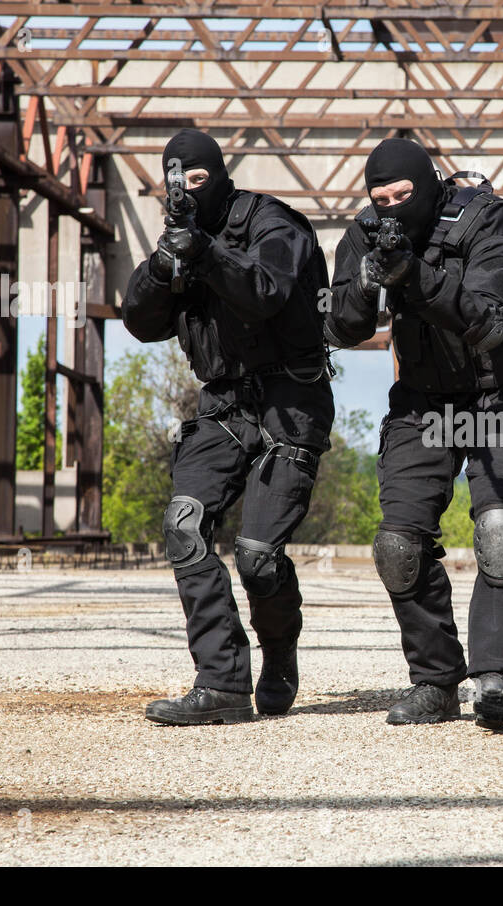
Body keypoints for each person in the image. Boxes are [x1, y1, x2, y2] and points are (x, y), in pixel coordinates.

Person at [325, 138, 503, 727]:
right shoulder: (365, 232)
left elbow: (491, 321)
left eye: (404, 195)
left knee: (500, 529)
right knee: (398, 546)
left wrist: (415, 276)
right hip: (423, 401)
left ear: (431, 183)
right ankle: (436, 680)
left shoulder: (484, 219)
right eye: (380, 198)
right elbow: (341, 328)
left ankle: (494, 676)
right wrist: (369, 279)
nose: (392, 208)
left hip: (501, 391)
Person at [123, 129, 334, 725]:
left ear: (218, 175)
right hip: (223, 406)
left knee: (258, 556)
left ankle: (279, 653)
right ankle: (221, 683)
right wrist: (165, 263)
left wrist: (208, 252)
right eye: (176, 183)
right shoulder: (182, 238)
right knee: (184, 524)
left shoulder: (274, 225)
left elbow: (265, 292)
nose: (188, 191)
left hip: (291, 399)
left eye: (197, 180)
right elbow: (141, 322)